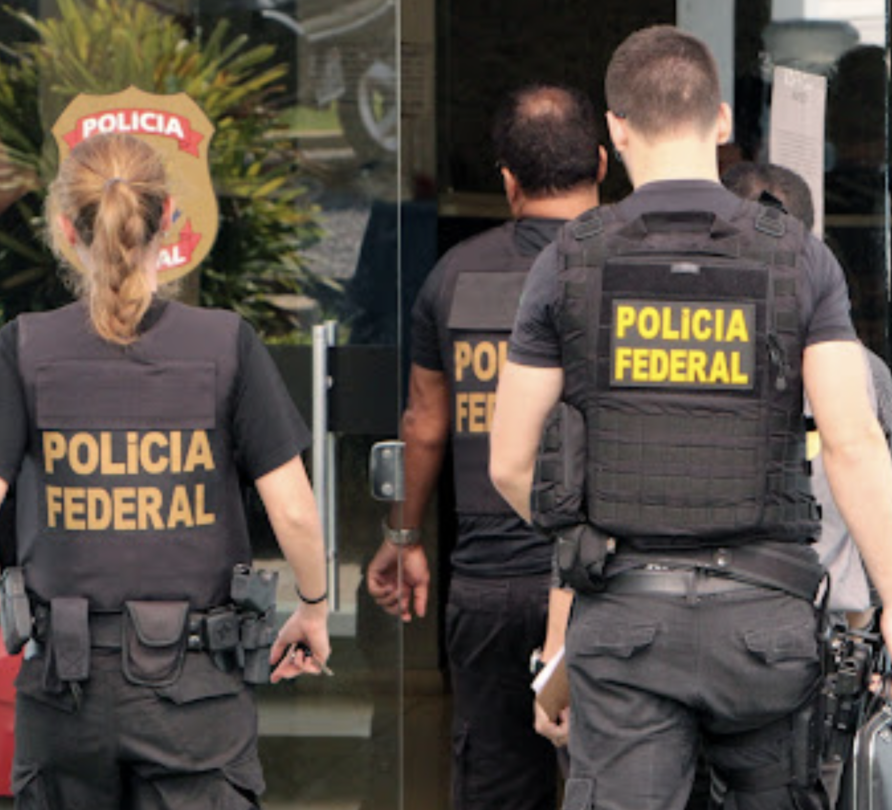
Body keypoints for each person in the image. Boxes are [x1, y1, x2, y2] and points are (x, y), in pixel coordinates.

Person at [489, 25, 892, 810]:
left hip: (626, 626)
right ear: (721, 120)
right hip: (765, 628)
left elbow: (511, 463)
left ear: (616, 130)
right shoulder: (799, 258)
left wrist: (591, 544)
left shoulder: (569, 259)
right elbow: (853, 442)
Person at [0, 132, 330, 809]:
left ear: (66, 228)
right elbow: (295, 512)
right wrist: (315, 607)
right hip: (195, 702)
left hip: (64, 694)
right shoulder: (226, 344)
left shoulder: (24, 347)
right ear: (171, 219)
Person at [365, 83, 606, 810]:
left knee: (497, 787)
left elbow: (424, 424)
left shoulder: (455, 275)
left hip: (490, 584)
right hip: (608, 579)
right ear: (602, 162)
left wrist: (403, 536)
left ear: (507, 180)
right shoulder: (629, 268)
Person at [722, 161, 892, 626]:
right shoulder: (863, 372)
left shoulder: (682, 346)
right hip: (816, 625)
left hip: (700, 614)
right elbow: (880, 520)